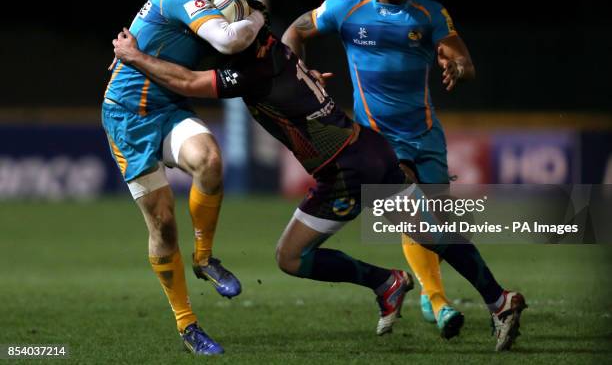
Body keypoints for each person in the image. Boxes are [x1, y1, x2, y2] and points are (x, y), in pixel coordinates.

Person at [112, 25, 527, 352]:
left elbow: (186, 82)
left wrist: (134, 56)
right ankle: (496, 299)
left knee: (290, 257)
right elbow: (291, 38)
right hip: (370, 149)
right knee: (430, 233)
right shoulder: (273, 47)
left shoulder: (249, 71)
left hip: (344, 170)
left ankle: (385, 281)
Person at [282, 0, 473, 339]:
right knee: (410, 208)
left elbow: (463, 60)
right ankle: (440, 302)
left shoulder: (429, 14)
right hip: (378, 139)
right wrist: (301, 77)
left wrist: (456, 66)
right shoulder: (346, 8)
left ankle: (427, 293)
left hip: (425, 132)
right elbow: (294, 32)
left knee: (437, 223)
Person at [102, 0, 266, 356]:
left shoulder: (219, 4)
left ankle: (205, 257)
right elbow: (228, 40)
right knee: (163, 225)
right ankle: (187, 323)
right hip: (128, 116)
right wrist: (255, 17)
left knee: (210, 159)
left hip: (169, 108)